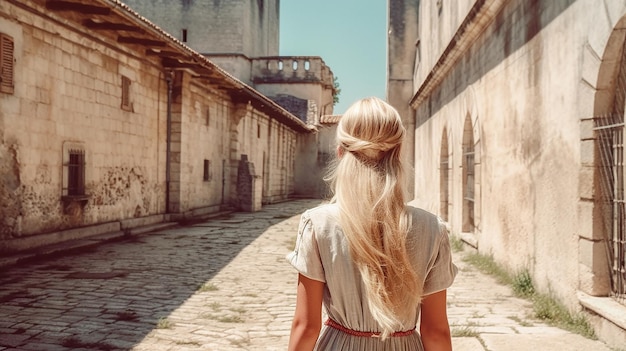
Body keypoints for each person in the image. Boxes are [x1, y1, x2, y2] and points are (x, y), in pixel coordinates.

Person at [286, 97, 458, 351]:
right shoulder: (432, 228)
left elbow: (306, 327)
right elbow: (436, 332)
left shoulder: (318, 224)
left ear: (341, 152)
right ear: (398, 152)